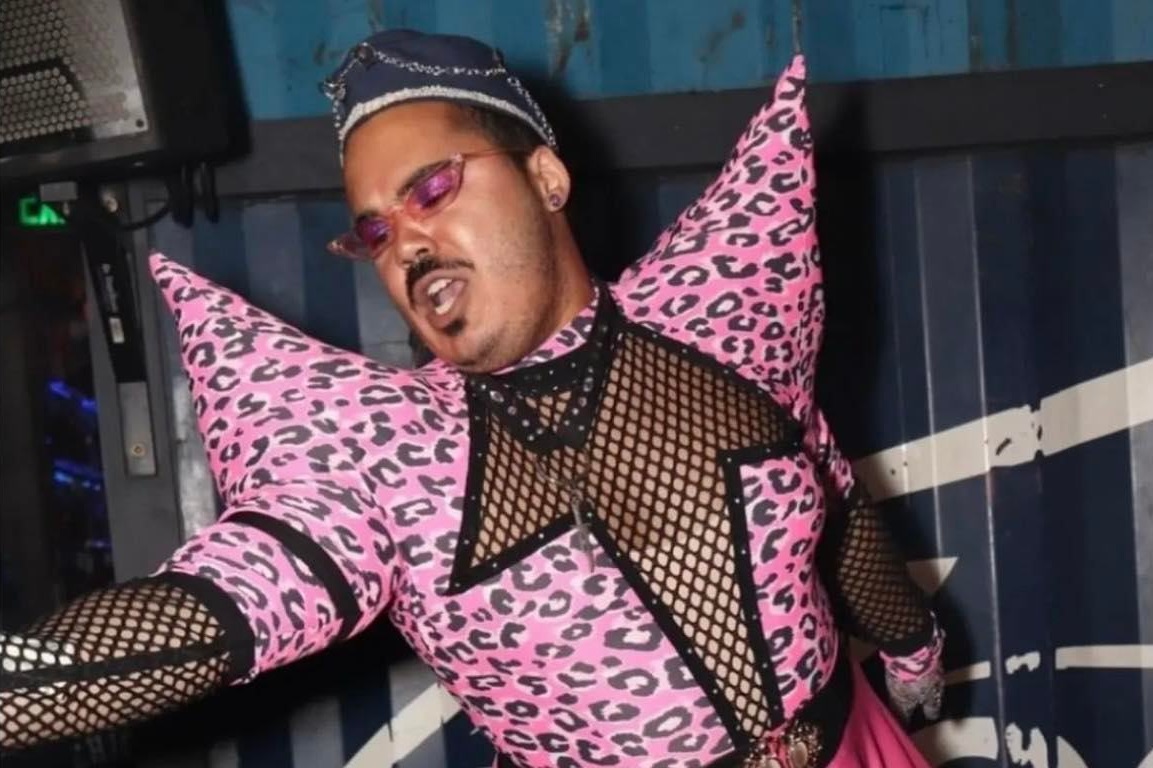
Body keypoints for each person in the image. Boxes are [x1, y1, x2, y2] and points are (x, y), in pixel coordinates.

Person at [0, 29, 944, 768]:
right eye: (374, 231)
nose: (404, 243)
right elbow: (212, 612)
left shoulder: (722, 321)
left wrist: (912, 655)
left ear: (545, 176)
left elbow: (832, 509)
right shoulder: (388, 459)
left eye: (433, 189)